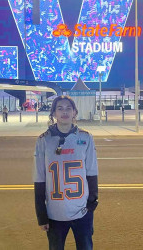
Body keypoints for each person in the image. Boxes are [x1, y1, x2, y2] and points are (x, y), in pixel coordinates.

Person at [34, 95, 98, 250]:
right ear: (54, 113)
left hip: (82, 211)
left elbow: (91, 171)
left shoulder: (86, 138)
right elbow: (39, 178)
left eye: (68, 108)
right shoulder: (43, 140)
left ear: (74, 112)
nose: (64, 112)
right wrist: (41, 215)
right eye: (60, 108)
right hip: (55, 213)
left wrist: (92, 203)